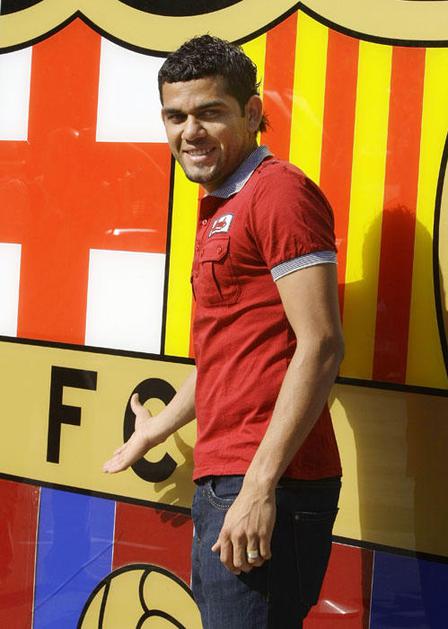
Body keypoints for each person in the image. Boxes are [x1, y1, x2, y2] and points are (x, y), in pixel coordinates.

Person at [104, 35, 344, 628]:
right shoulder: (221, 204)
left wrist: (259, 486)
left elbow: (321, 345)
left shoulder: (279, 193)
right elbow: (229, 356)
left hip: (268, 482)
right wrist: (157, 428)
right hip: (232, 479)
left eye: (209, 112)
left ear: (252, 113)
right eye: (175, 116)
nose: (190, 132)